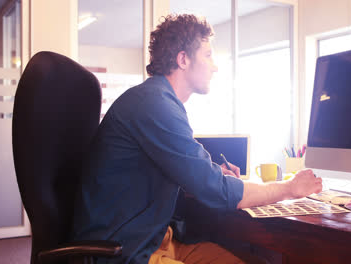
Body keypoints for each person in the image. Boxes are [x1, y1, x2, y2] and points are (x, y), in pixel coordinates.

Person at [72, 14, 322, 264]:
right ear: (183, 59)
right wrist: (290, 189)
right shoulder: (154, 104)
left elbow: (188, 176)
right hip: (123, 253)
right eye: (208, 55)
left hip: (156, 242)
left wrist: (211, 175)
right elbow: (219, 192)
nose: (215, 66)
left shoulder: (158, 100)